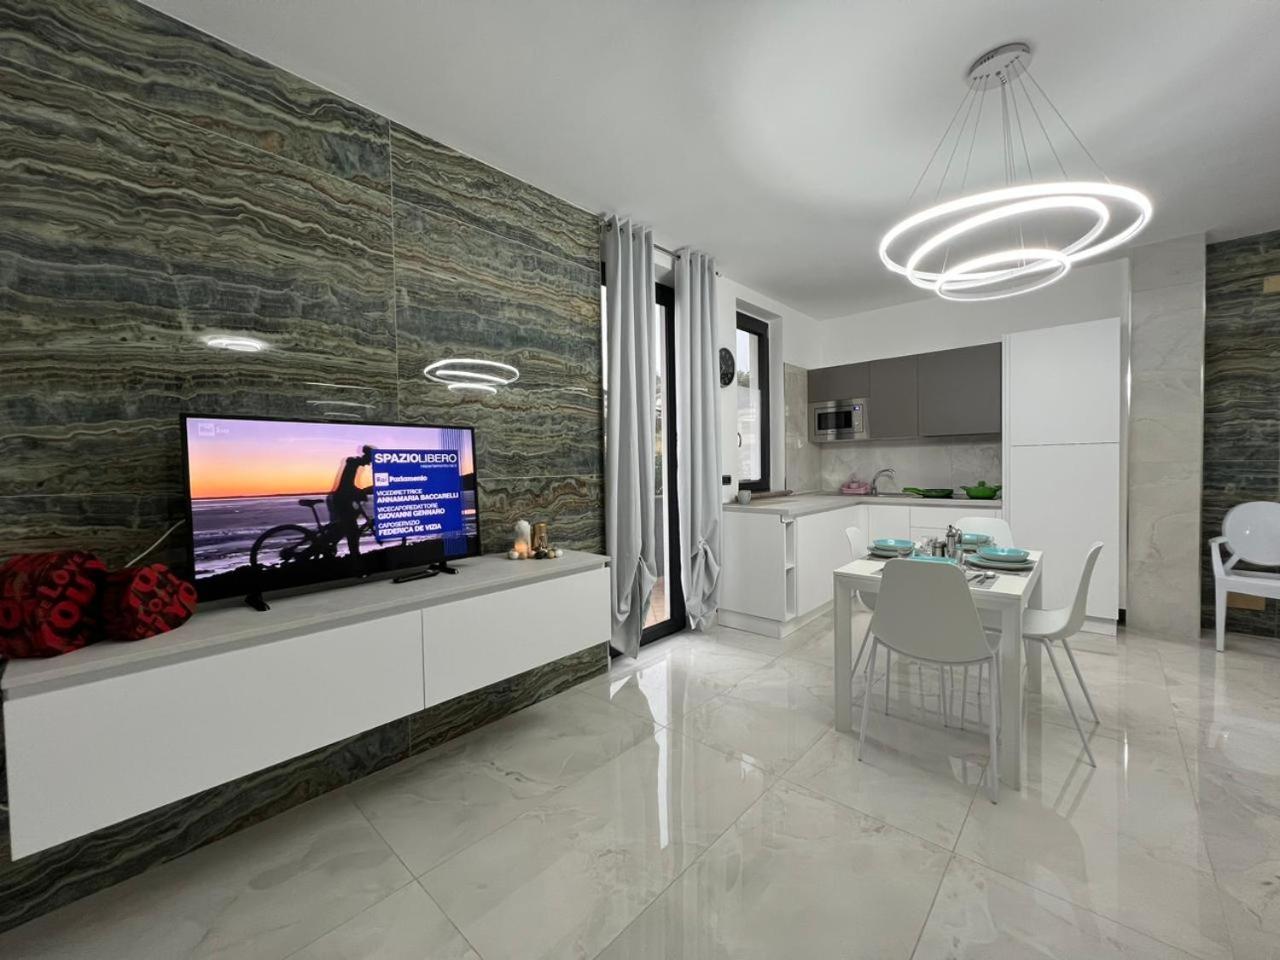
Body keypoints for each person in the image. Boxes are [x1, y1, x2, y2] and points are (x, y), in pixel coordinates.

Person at [327, 445, 374, 557]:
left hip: (344, 498)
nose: (368, 464)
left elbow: (349, 485)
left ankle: (331, 543)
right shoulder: (353, 464)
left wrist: (361, 491)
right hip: (342, 499)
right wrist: (362, 492)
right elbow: (346, 485)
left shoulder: (354, 464)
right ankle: (355, 555)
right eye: (369, 461)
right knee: (352, 529)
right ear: (366, 456)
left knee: (344, 525)